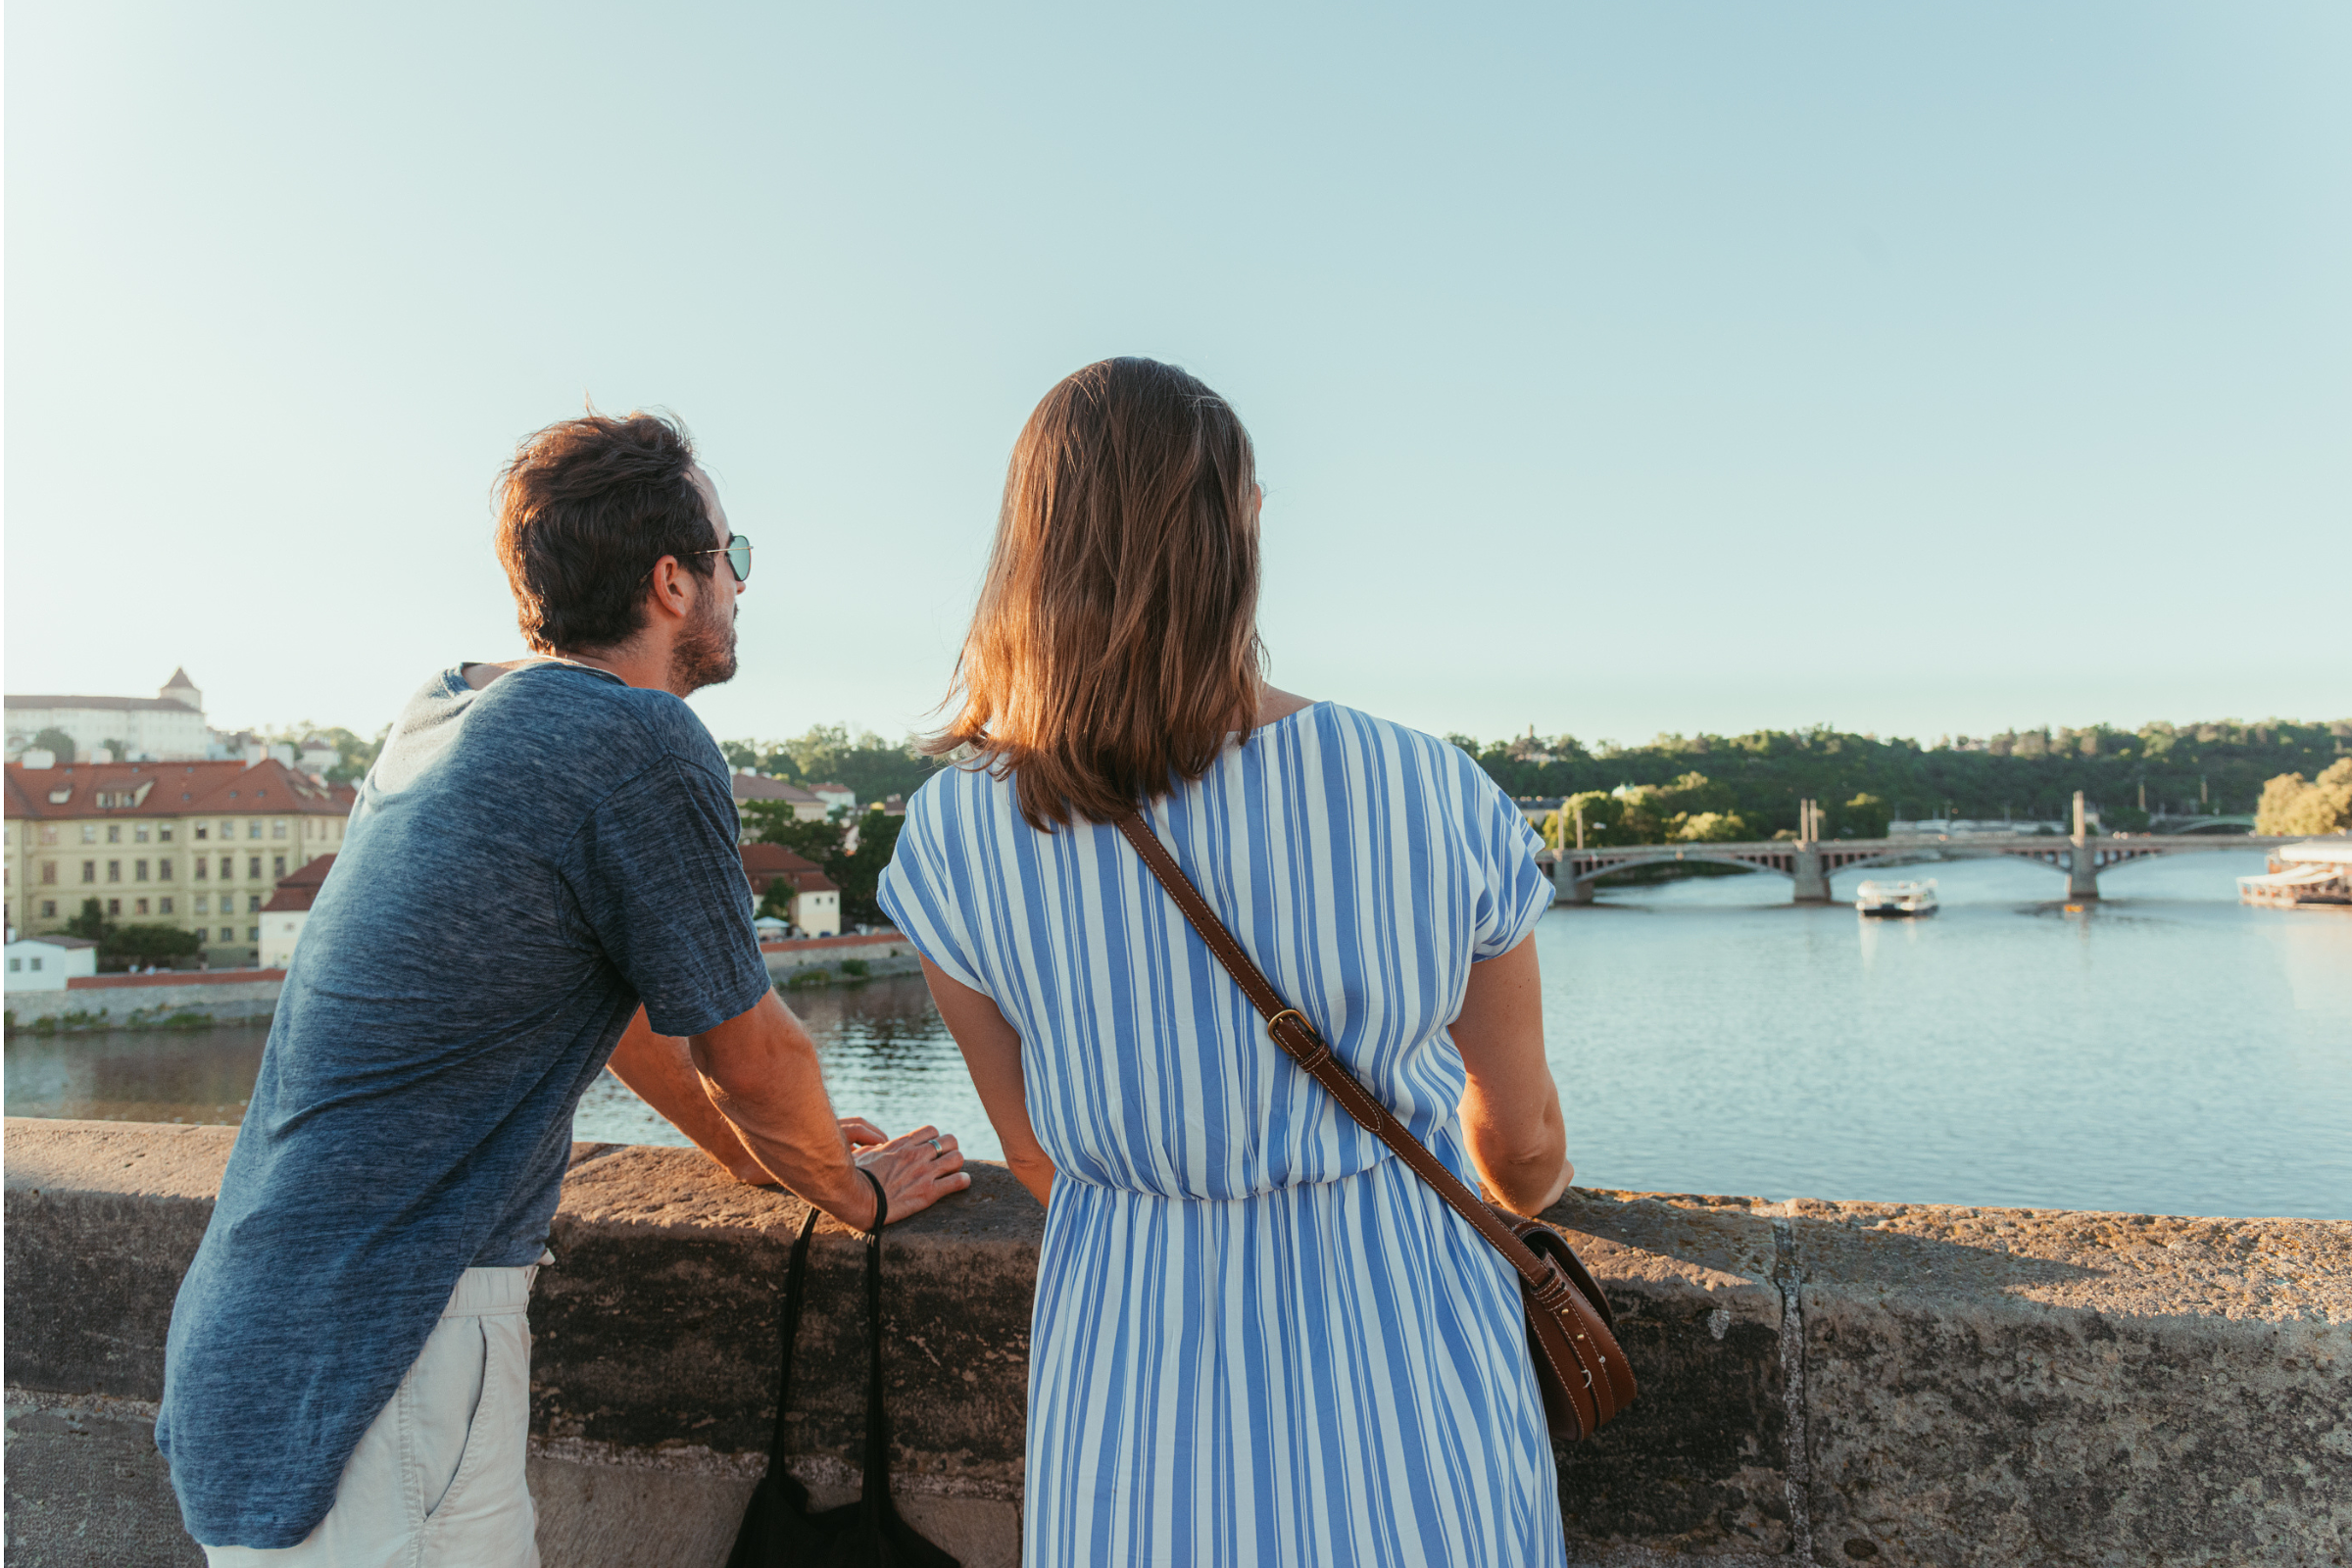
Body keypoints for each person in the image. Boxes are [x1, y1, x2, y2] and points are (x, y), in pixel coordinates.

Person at [156, 411, 970, 1565]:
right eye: (733, 558)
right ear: (673, 581)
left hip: (261, 1330)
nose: (742, 585)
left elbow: (637, 1023)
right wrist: (853, 1190)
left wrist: (751, 1158)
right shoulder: (635, 738)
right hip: (392, 1348)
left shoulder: (442, 709)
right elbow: (753, 1051)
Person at [879, 358, 1576, 1566]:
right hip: (1409, 1355)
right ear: (1238, 532)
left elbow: (1036, 1152)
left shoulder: (954, 835)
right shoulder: (1426, 786)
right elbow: (1518, 1150)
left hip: (1132, 1383)